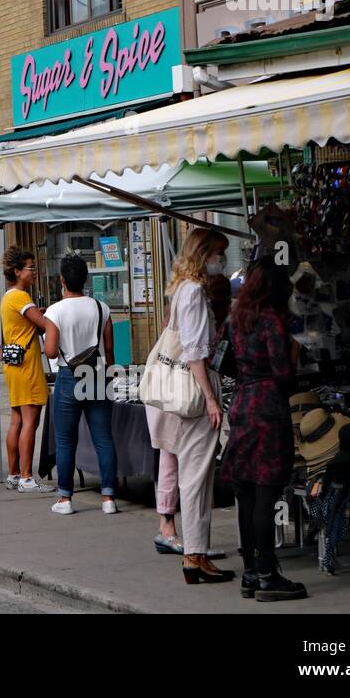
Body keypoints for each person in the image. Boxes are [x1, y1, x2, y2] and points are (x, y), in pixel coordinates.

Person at [147, 228, 235, 585]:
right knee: (197, 477)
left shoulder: (181, 288)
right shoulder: (196, 292)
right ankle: (195, 555)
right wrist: (212, 399)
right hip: (195, 392)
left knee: (191, 475)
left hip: (179, 391)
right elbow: (197, 351)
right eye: (218, 253)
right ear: (205, 254)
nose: (222, 261)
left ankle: (195, 554)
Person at [221, 259, 304, 601]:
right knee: (266, 494)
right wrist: (294, 354)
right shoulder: (270, 319)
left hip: (241, 405)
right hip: (267, 408)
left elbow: (224, 360)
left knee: (246, 493)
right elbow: (283, 372)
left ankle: (251, 573)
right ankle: (269, 573)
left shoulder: (236, 318)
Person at [43, 254, 117, 514]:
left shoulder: (55, 311)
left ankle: (65, 499)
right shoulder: (101, 308)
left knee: (65, 441)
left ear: (62, 280)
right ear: (85, 279)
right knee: (104, 438)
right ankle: (108, 498)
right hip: (97, 374)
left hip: (68, 377)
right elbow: (109, 349)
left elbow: (51, 352)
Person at [0, 248, 50, 493]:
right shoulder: (20, 297)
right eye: (30, 267)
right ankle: (27, 477)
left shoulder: (8, 297)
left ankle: (14, 473)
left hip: (13, 365)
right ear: (18, 272)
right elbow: (44, 324)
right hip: (27, 363)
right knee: (30, 420)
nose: (34, 271)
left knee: (17, 420)